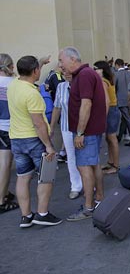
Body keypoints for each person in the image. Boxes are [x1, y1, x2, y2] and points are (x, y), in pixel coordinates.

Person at [8, 55, 62, 227]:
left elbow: (28, 71)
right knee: (46, 176)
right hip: (34, 140)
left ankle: (26, 216)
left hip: (16, 138)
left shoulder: (14, 85)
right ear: (35, 71)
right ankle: (42, 213)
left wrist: (39, 62)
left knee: (23, 177)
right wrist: (48, 145)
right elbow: (38, 124)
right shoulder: (32, 94)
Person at [58, 47, 106, 221]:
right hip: (91, 130)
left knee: (85, 167)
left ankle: (88, 207)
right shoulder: (86, 74)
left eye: (61, 61)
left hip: (87, 132)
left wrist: (80, 132)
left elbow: (86, 105)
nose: (60, 65)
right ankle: (98, 199)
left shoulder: (84, 75)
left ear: (72, 59)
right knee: (93, 165)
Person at [50, 71, 83, 199]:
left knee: (84, 156)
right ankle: (75, 186)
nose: (66, 74)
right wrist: (52, 127)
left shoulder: (82, 85)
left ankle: (88, 183)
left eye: (69, 72)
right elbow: (57, 107)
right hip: (66, 127)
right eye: (64, 72)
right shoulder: (61, 87)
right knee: (71, 156)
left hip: (82, 127)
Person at [93, 61, 121, 175]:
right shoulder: (108, 80)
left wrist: (102, 116)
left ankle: (116, 165)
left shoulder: (103, 82)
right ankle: (111, 162)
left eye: (96, 68)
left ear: (102, 70)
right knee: (109, 139)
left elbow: (107, 101)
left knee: (112, 138)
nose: (94, 70)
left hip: (110, 111)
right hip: (113, 110)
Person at [0, 54, 18, 213]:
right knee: (5, 164)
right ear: (11, 66)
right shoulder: (14, 83)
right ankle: (1, 200)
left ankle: (4, 192)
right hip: (8, 127)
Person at [114, 58, 130, 146]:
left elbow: (114, 88)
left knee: (127, 119)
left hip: (120, 99)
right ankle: (119, 136)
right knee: (125, 118)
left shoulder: (115, 74)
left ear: (117, 65)